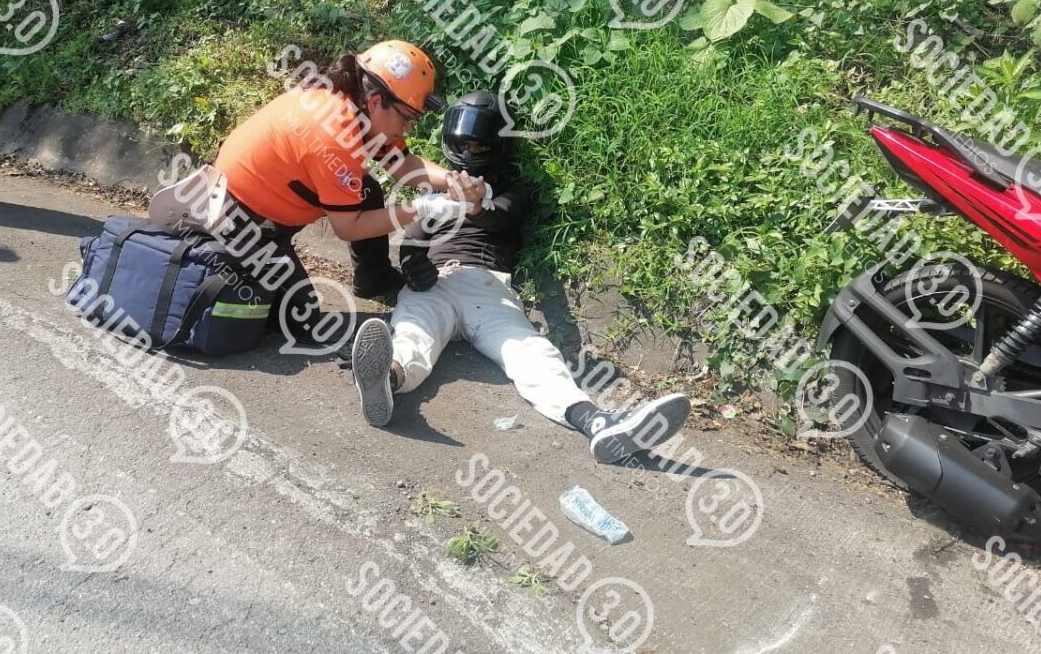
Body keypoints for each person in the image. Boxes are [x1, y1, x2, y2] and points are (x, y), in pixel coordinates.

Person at [350, 91, 692, 463]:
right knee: (413, 332)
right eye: (460, 142)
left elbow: (499, 217)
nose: (467, 149)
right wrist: (414, 266)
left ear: (496, 146)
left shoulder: (514, 190)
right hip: (436, 284)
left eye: (476, 143)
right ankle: (387, 378)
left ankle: (595, 422)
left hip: (486, 286)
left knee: (529, 351)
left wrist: (475, 204)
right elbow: (414, 240)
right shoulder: (434, 189)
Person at [213, 40, 483, 303]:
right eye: (407, 118)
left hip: (259, 201)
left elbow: (403, 164)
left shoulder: (356, 104)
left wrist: (454, 181)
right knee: (302, 318)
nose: (409, 128)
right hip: (239, 221)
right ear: (377, 101)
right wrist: (424, 206)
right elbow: (348, 227)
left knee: (366, 190)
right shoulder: (335, 134)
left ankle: (373, 278)